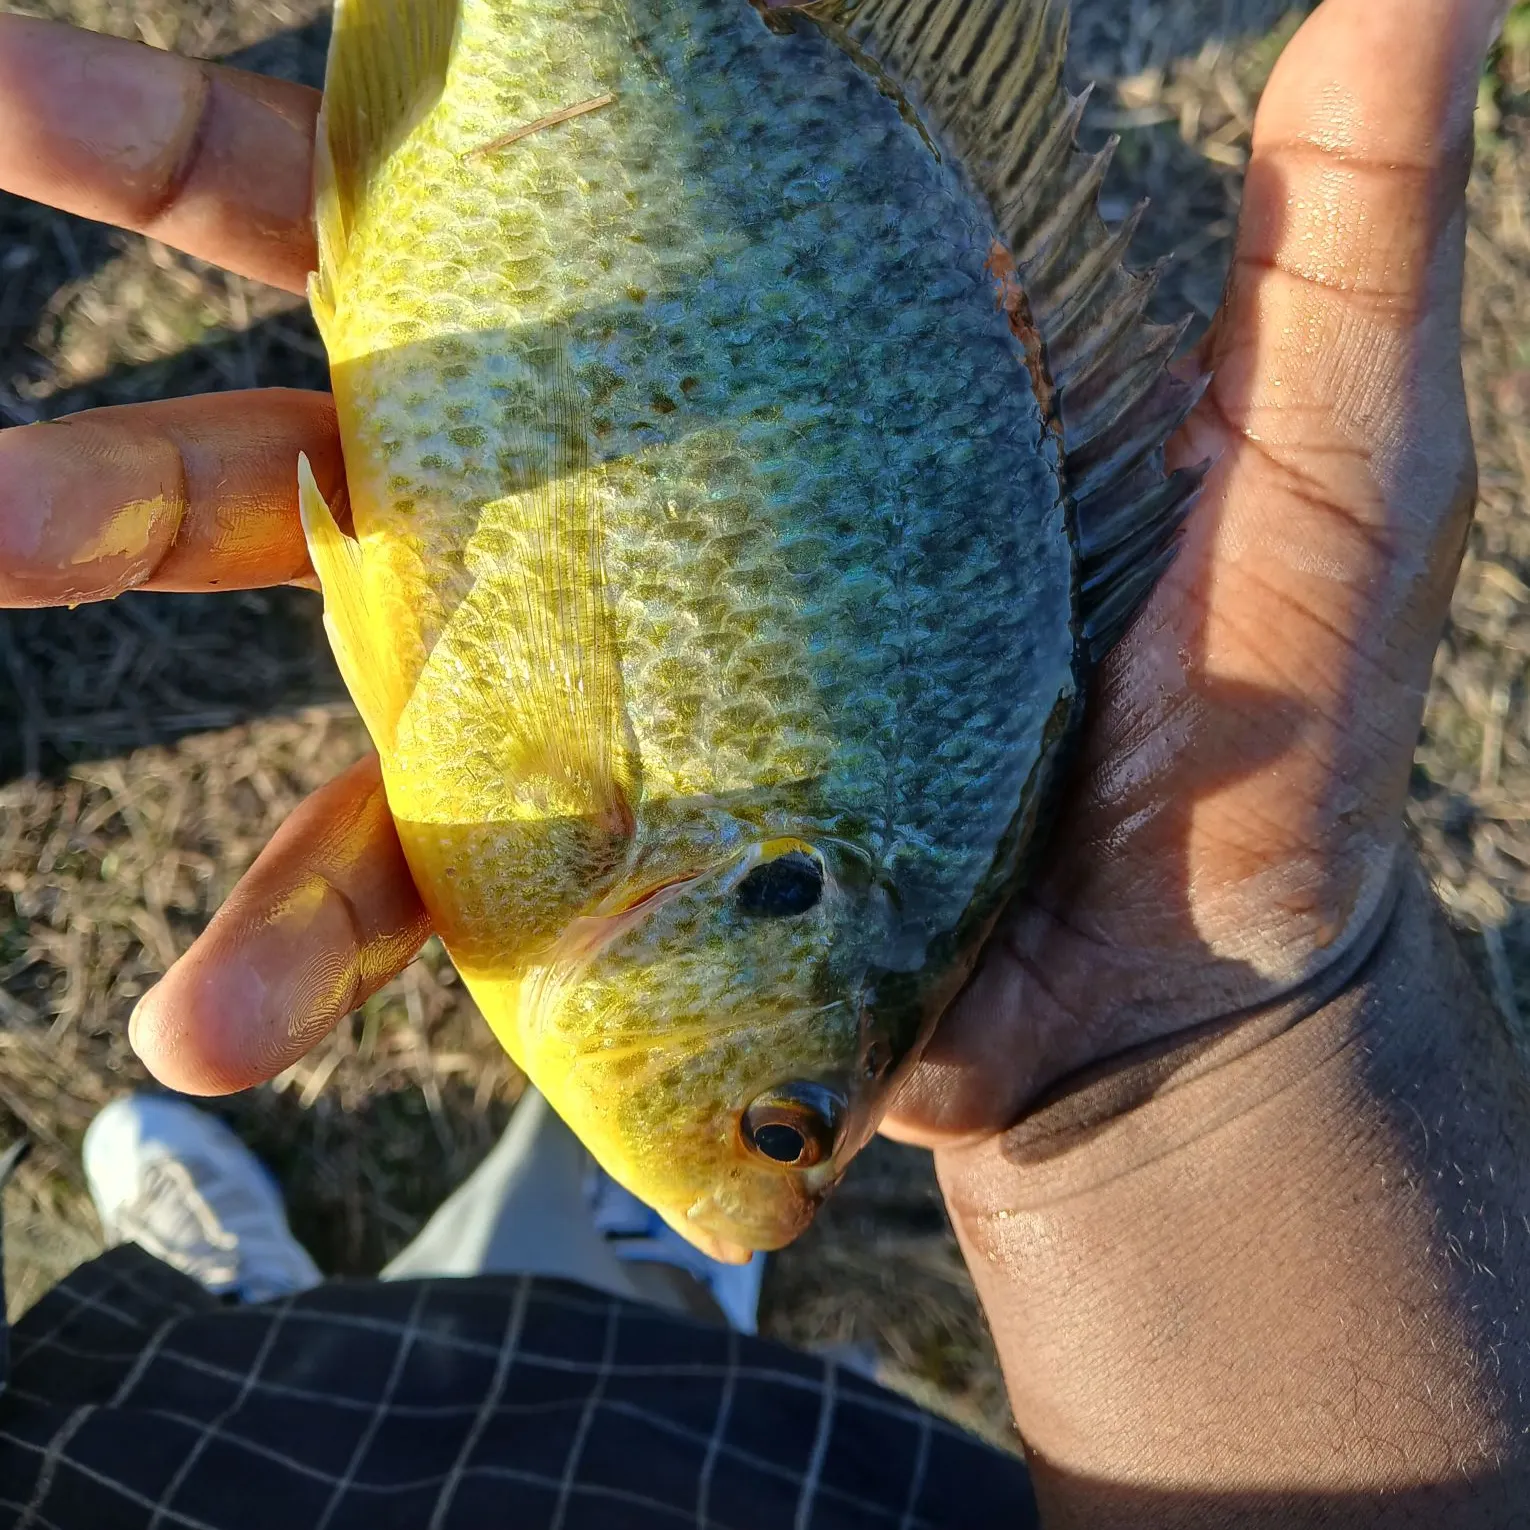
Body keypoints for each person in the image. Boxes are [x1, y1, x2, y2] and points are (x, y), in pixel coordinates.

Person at [0, 0, 1522, 1522]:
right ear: (778, 894)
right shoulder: (604, 854)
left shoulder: (831, 850)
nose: (773, 1203)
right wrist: (1226, 1042)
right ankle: (446, 1298)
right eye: (782, 1117)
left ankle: (322, 1309)